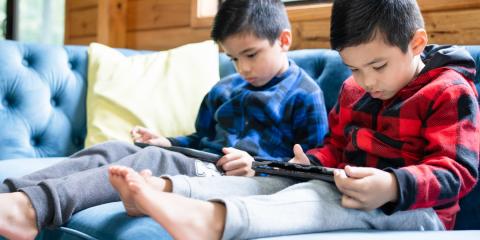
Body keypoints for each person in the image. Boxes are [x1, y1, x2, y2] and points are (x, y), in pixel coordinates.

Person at [107, 0, 480, 239]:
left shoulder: (449, 90)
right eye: (353, 68)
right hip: (349, 188)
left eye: (378, 66)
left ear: (416, 44)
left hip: (419, 212)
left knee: (317, 198)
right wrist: (309, 164)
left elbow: (459, 171)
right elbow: (335, 147)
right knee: (282, 183)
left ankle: (212, 223)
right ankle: (168, 191)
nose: (366, 81)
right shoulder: (355, 89)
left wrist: (394, 186)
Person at [0, 0, 329, 239]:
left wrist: (256, 164)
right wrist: (168, 141)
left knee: (154, 159)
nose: (242, 68)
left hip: (238, 178)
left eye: (251, 55)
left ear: (284, 40)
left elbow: (311, 164)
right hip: (203, 160)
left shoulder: (305, 94)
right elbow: (200, 139)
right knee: (116, 147)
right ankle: (9, 194)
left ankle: (33, 210)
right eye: (233, 58)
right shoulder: (225, 88)